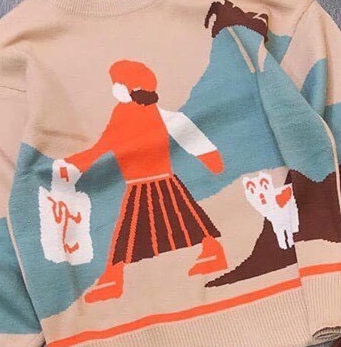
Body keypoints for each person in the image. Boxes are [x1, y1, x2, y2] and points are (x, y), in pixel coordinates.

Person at [60, 60, 227, 304]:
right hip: (140, 184)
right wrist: (78, 162)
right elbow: (105, 144)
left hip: (159, 181)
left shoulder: (153, 113)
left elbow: (181, 128)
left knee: (171, 222)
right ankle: (114, 278)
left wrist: (209, 156)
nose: (115, 88)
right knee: (177, 221)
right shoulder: (121, 114)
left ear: (129, 86)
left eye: (117, 83)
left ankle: (114, 279)